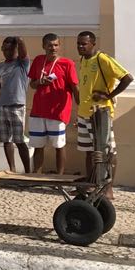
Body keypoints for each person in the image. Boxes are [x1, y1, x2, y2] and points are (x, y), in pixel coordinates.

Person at [75, 30, 133, 198]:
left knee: (107, 151)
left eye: (84, 44)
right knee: (89, 151)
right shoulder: (83, 60)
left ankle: (108, 188)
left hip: (99, 113)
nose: (80, 47)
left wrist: (109, 96)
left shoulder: (102, 59)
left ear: (93, 43)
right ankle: (92, 184)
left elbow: (127, 78)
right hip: (84, 113)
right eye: (78, 43)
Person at [27, 34, 79, 177]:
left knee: (59, 145)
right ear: (44, 46)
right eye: (50, 45)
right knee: (37, 145)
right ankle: (36, 175)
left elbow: (75, 88)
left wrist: (81, 108)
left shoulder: (67, 64)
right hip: (38, 110)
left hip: (57, 112)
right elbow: (32, 84)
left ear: (59, 46)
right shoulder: (38, 60)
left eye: (56, 45)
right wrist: (40, 82)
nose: (53, 48)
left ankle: (59, 177)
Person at [0, 36, 32, 173]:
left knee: (19, 140)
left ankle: (27, 172)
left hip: (17, 105)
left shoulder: (22, 64)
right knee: (6, 139)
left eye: (10, 49)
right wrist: (0, 88)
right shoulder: (0, 66)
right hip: (2, 105)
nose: (7, 52)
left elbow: (24, 52)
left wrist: (20, 40)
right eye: (5, 49)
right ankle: (12, 169)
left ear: (15, 49)